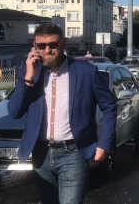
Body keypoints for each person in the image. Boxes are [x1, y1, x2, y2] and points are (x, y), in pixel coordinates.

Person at [7, 23, 117, 204]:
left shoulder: (86, 72)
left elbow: (109, 106)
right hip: (41, 154)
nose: (48, 50)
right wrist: (28, 77)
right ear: (34, 47)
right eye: (41, 46)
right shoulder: (30, 72)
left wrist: (104, 144)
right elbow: (14, 112)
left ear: (63, 43)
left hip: (73, 153)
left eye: (53, 45)